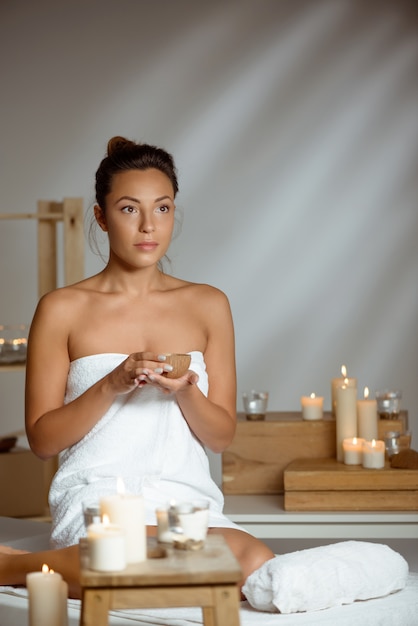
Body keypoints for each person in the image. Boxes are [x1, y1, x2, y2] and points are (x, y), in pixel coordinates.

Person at [0, 137, 274, 598]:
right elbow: (44, 442)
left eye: (163, 208)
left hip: (183, 504)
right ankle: (30, 566)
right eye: (129, 209)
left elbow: (220, 436)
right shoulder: (62, 309)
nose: (149, 225)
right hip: (98, 501)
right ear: (102, 217)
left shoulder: (208, 304)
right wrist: (111, 384)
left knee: (255, 562)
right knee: (119, 556)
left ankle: (28, 566)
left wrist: (186, 391)